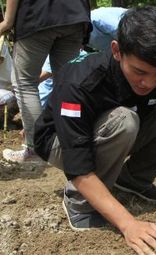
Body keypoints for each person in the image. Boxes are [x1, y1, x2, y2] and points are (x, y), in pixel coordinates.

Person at [33, 7, 156, 255]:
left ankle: (131, 182)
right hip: (59, 141)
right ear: (117, 51)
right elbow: (78, 164)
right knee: (124, 120)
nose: (148, 83)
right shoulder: (81, 82)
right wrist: (128, 224)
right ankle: (79, 204)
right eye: (139, 72)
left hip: (109, 133)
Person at [2, 0, 91, 163]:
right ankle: (72, 145)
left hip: (38, 14)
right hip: (76, 15)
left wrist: (8, 21)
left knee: (25, 83)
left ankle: (37, 149)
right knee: (67, 83)